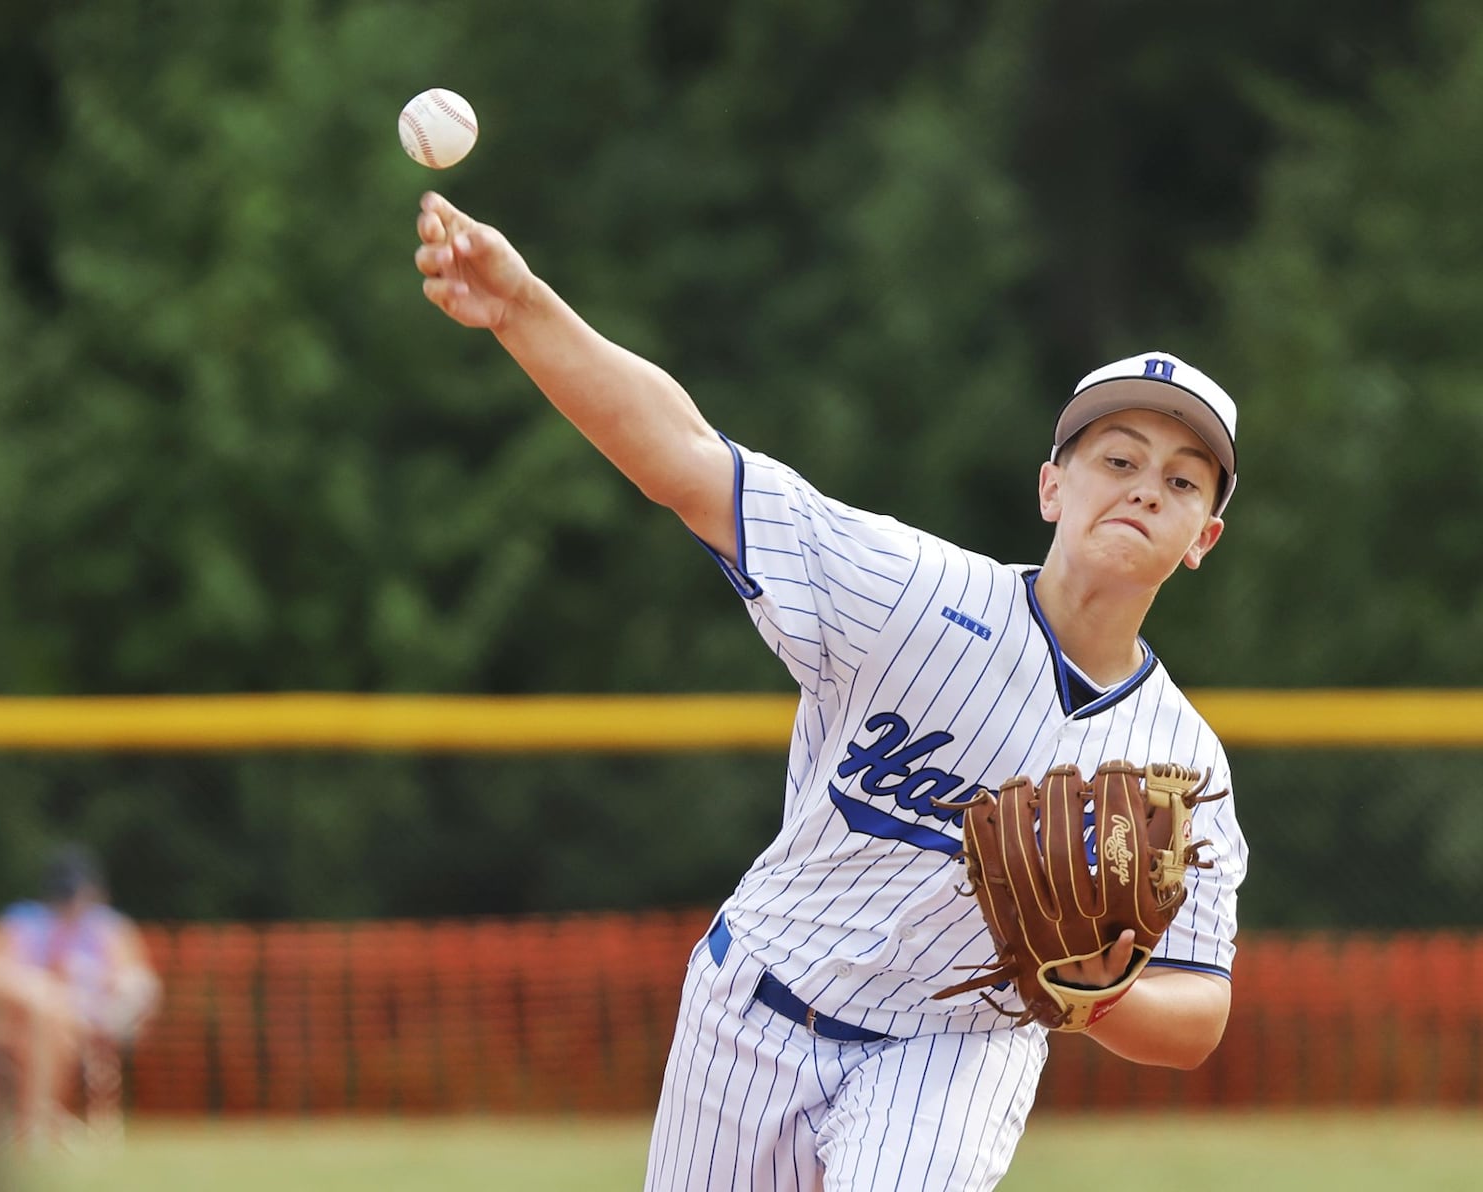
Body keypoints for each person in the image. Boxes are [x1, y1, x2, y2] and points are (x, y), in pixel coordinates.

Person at [414, 191, 1246, 1191]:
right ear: (1050, 488)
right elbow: (685, 462)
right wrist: (522, 308)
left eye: (1182, 480)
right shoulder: (908, 591)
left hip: (951, 1048)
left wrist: (1095, 996)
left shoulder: (1181, 763)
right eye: (1117, 458)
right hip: (754, 1003)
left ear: (1201, 539)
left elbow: (1197, 1012)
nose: (1147, 487)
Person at [0, 845, 160, 1150]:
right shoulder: (24, 923)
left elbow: (137, 982)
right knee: (47, 1013)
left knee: (53, 1018)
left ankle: (37, 1122)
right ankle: (38, 1122)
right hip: (19, 1026)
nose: (73, 905)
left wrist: (120, 999)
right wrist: (39, 989)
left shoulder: (109, 930)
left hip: (89, 1027)